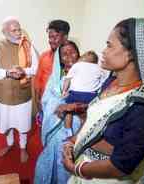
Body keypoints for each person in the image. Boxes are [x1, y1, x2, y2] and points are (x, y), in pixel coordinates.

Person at [61, 18, 144, 184]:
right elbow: (94, 125)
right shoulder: (111, 82)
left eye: (109, 45)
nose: (103, 51)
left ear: (131, 54)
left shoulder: (143, 105)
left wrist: (76, 168)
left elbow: (121, 165)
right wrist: (71, 142)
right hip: (84, 164)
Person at [0, 17, 38, 163]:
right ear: (4, 32)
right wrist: (8, 73)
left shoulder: (27, 45)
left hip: (23, 93)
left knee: (22, 124)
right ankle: (9, 144)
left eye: (19, 29)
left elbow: (36, 68)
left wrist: (24, 71)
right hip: (4, 95)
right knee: (6, 123)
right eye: (14, 30)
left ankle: (22, 148)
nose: (18, 33)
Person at [34, 41, 83, 184]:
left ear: (78, 54)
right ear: (59, 60)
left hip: (77, 129)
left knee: (72, 163)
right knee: (56, 162)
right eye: (64, 54)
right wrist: (60, 104)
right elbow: (47, 101)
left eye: (72, 52)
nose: (69, 57)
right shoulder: (55, 80)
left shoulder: (88, 77)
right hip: (57, 130)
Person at [62, 50, 109, 128]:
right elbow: (104, 81)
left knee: (68, 111)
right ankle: (83, 127)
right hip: (91, 96)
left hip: (75, 94)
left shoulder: (77, 65)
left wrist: (64, 91)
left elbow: (67, 80)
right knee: (88, 113)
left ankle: (68, 130)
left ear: (82, 58)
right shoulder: (99, 68)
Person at [34, 19, 70, 112]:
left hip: (61, 108)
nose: (51, 41)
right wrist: (37, 101)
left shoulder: (72, 60)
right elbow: (38, 81)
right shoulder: (44, 56)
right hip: (44, 104)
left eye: (55, 37)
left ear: (65, 37)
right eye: (49, 37)